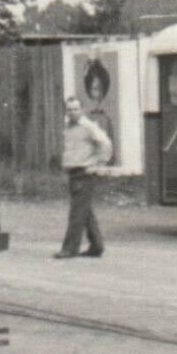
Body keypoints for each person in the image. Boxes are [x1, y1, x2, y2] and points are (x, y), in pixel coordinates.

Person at [56, 95, 113, 260]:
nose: (72, 112)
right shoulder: (68, 127)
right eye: (69, 109)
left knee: (76, 213)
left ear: (82, 110)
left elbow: (105, 144)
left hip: (85, 173)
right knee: (84, 211)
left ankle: (69, 249)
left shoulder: (88, 126)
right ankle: (97, 246)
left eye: (75, 109)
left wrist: (97, 163)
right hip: (73, 173)